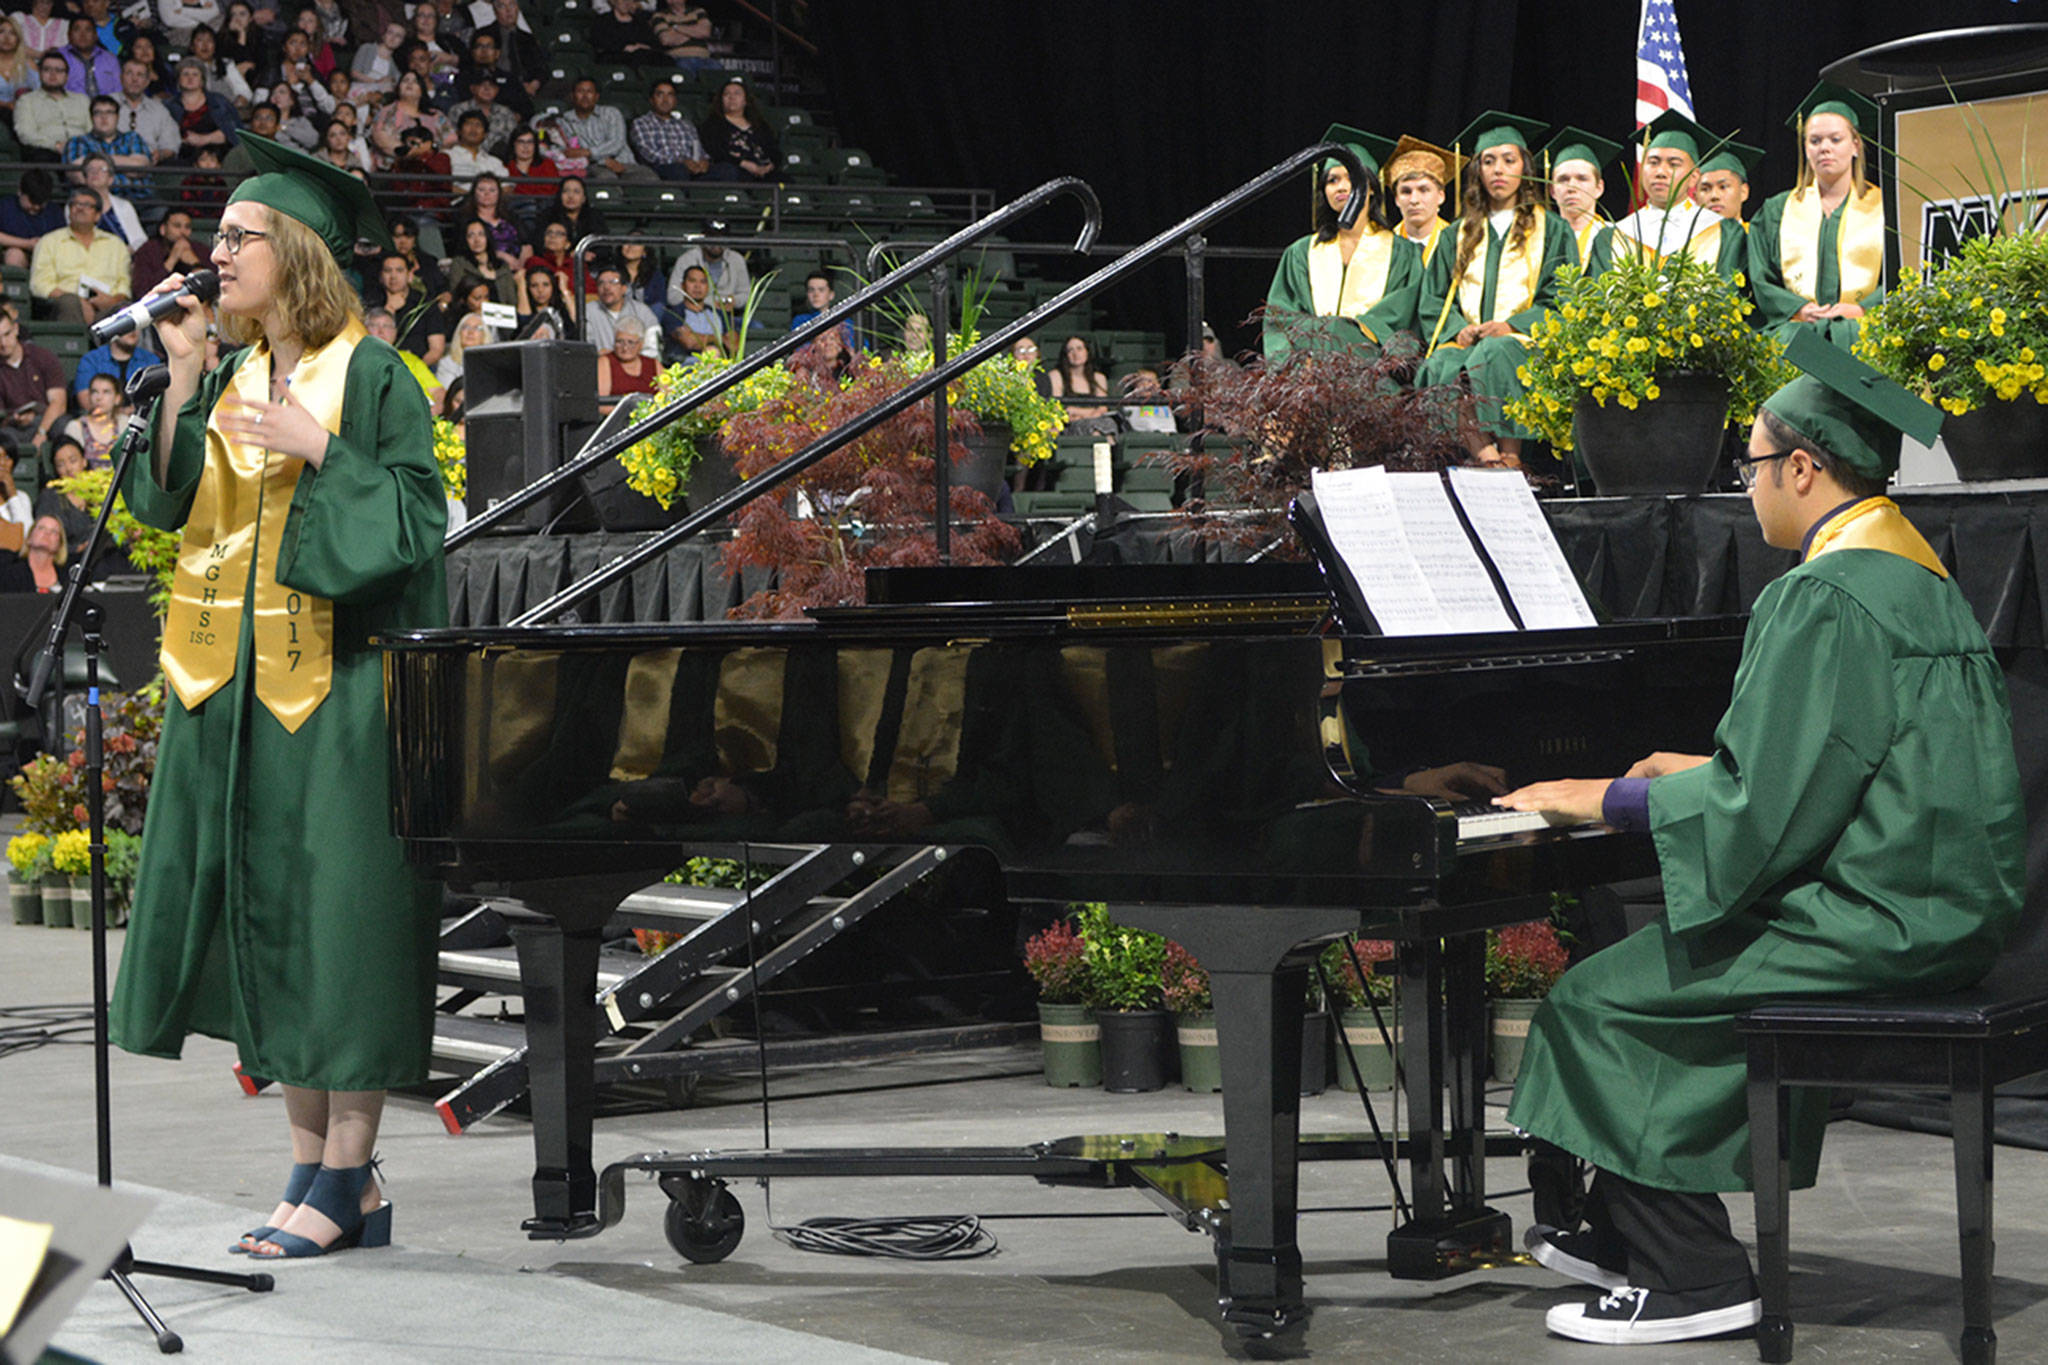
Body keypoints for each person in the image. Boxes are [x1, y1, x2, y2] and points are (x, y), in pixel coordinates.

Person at [1493, 332, 2024, 1346]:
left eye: (1748, 467)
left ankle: (1691, 1273)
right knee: (1650, 979)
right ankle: (1609, 1225)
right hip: (1943, 901)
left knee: (1599, 1001)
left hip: (1875, 921)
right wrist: (1690, 775)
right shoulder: (1914, 579)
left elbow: (1760, 813)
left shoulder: (1819, 595)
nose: (1744, 492)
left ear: (1801, 467)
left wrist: (1598, 797)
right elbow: (1848, 766)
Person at [109, 131, 448, 1263]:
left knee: (339, 931)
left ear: (294, 251)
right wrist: (187, 375)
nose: (215, 256)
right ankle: (318, 1171)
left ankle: (343, 1180)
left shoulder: (374, 376)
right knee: (279, 930)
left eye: (237, 239)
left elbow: (413, 528)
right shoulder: (240, 371)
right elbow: (166, 508)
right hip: (239, 690)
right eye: (216, 238)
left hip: (343, 693)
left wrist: (322, 451)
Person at [1415, 111, 1572, 468]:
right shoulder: (1456, 234)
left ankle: (1512, 457)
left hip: (1525, 342)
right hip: (1468, 341)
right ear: (1478, 172)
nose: (1498, 169)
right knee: (1442, 363)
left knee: (1499, 352)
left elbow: (1561, 296)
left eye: (1508, 160)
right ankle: (1489, 458)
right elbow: (1434, 300)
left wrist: (1514, 325)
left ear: (1524, 167)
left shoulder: (1553, 229)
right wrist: (1460, 329)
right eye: (1488, 161)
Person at [1263, 123, 1420, 359]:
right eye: (1332, 180)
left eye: (1351, 177)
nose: (1342, 187)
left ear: (1371, 188)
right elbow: (1279, 321)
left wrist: (1345, 333)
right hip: (1309, 374)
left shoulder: (1403, 254)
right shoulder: (1300, 253)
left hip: (1373, 371)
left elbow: (1406, 320)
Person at [1751, 83, 1884, 350]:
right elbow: (1761, 277)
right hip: (1796, 332)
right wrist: (1799, 309)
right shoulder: (1776, 211)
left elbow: (1904, 273)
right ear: (1806, 148)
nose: (1824, 148)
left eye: (1835, 139)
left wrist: (1862, 309)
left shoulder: (1885, 208)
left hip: (1866, 332)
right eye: (1815, 140)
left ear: (1855, 145)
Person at [1609, 110, 1720, 269]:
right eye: (1653, 162)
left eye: (1674, 164)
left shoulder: (1722, 231)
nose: (1660, 172)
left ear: (1694, 177)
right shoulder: (1617, 234)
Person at [29, 183, 133, 326]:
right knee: (70, 303)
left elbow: (124, 284)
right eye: (76, 204)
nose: (80, 208)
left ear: (97, 215)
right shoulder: (49, 241)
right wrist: (79, 302)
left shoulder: (116, 244)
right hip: (64, 307)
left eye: (87, 205)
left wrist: (111, 301)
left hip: (106, 308)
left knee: (126, 309)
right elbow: (39, 285)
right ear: (69, 211)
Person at [1542, 127, 1621, 279]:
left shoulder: (1619, 239)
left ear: (1599, 188)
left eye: (1582, 179)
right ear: (1552, 191)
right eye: (1563, 180)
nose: (1572, 187)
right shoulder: (1539, 240)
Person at [0, 311, 71, 454]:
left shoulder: (42, 357)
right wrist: (14, 419)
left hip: (46, 420)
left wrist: (41, 432)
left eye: (7, 335)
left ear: (16, 329)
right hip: (13, 427)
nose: (3, 343)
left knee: (67, 425)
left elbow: (59, 403)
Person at [558, 75, 654, 181]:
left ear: (597, 96)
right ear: (572, 96)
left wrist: (589, 152)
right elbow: (572, 153)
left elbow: (616, 143)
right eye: (580, 91)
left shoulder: (611, 113)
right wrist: (604, 161)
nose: (585, 96)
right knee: (606, 179)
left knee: (649, 177)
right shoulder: (565, 120)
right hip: (594, 166)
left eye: (589, 92)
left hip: (625, 163)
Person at [1382, 134, 1457, 266]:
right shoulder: (1384, 247)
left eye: (1423, 190)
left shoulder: (1458, 244)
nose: (1414, 200)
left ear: (1441, 196)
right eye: (1406, 191)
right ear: (1397, 199)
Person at [364, 249, 445, 366]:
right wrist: (389, 309)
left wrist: (413, 371)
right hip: (378, 365)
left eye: (399, 271)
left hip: (419, 367)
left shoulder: (425, 304)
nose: (393, 276)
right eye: (388, 271)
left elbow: (436, 350)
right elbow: (368, 343)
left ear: (409, 275)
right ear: (381, 276)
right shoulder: (371, 302)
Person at [67, 95, 155, 202]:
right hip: (94, 202)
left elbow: (139, 168)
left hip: (138, 199)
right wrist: (125, 164)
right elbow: (78, 176)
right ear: (91, 118)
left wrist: (96, 165)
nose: (104, 117)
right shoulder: (78, 141)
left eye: (109, 112)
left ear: (117, 117)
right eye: (98, 113)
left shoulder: (132, 138)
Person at [15, 51, 91, 160]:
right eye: (47, 70)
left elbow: (92, 130)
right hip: (47, 151)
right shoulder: (27, 100)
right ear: (40, 73)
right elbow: (25, 134)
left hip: (83, 151)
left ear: (67, 76)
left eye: (59, 70)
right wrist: (56, 145)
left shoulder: (82, 100)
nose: (53, 74)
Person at [698, 75, 776, 181]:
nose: (732, 97)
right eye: (726, 94)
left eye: (737, 93)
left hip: (762, 170)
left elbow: (773, 149)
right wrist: (744, 164)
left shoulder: (759, 124)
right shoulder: (712, 125)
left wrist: (769, 166)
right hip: (733, 169)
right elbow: (716, 152)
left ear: (746, 100)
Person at [630, 78, 710, 181]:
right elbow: (650, 155)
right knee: (678, 170)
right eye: (660, 95)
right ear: (651, 100)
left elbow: (698, 149)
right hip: (663, 167)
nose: (665, 100)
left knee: (725, 170)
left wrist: (704, 161)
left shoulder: (686, 125)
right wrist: (682, 162)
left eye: (670, 95)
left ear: (675, 101)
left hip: (693, 167)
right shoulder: (641, 123)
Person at [168, 55, 240, 163]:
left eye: (195, 74)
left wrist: (204, 139)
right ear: (178, 80)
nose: (190, 78)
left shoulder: (219, 102)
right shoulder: (169, 106)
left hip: (220, 159)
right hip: (183, 159)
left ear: (202, 80)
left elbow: (235, 132)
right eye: (185, 74)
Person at [114, 56, 183, 166]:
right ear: (121, 78)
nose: (134, 79)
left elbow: (172, 145)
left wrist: (160, 154)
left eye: (140, 75)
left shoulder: (159, 110)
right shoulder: (105, 104)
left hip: (147, 168)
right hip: (110, 166)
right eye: (129, 74)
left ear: (147, 82)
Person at [666, 219, 749, 310]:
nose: (717, 242)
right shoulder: (687, 259)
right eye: (712, 237)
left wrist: (733, 301)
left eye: (722, 237)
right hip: (692, 312)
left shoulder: (736, 260)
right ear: (703, 237)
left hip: (727, 314)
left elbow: (745, 294)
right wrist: (708, 303)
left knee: (755, 325)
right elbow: (673, 296)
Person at [74, 326, 163, 409]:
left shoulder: (151, 360)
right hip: (102, 421)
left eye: (136, 325)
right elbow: (85, 401)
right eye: (127, 325)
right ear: (112, 329)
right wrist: (119, 414)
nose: (132, 330)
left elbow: (157, 401)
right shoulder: (92, 360)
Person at [584, 261, 659, 358]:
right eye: (601, 283)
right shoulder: (588, 311)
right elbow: (585, 350)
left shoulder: (642, 312)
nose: (606, 287)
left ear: (624, 288)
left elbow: (653, 350)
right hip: (600, 368)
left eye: (613, 282)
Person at [445, 215, 521, 310]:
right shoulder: (459, 264)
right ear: (465, 240)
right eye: (471, 235)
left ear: (487, 237)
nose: (477, 240)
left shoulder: (502, 267)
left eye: (481, 234)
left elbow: (512, 302)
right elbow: (457, 297)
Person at [443, 64, 519, 157]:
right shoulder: (458, 110)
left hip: (498, 162)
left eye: (492, 85)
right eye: (481, 85)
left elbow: (514, 142)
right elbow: (450, 141)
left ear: (497, 90)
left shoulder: (506, 113)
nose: (487, 89)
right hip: (464, 159)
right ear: (472, 88)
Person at [62, 371, 134, 465]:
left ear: (117, 398)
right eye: (94, 392)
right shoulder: (75, 428)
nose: (99, 397)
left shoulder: (124, 424)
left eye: (106, 392)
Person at [0, 168, 66, 268]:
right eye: (31, 202)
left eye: (40, 203)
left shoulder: (54, 211)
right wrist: (27, 244)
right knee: (14, 255)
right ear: (20, 192)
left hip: (47, 255)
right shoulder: (5, 206)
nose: (36, 207)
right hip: (18, 252)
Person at [664, 261, 730, 359]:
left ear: (708, 287)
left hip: (719, 368)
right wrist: (719, 338)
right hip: (686, 369)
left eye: (703, 282)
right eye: (692, 281)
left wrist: (697, 336)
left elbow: (734, 345)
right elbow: (689, 342)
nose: (697, 286)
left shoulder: (719, 314)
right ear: (683, 285)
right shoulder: (673, 313)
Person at [1049, 334, 1113, 434]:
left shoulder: (1099, 377)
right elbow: (1058, 408)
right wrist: (1090, 413)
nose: (1075, 353)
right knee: (1093, 430)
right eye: (1070, 350)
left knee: (1109, 424)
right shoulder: (1056, 375)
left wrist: (1078, 412)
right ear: (1066, 355)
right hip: (1069, 423)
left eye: (1079, 349)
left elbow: (1102, 409)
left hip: (1095, 419)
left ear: (1087, 352)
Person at [56, 15, 119, 100]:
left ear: (96, 35)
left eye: (88, 30)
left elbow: (119, 92)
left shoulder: (110, 59)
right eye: (77, 30)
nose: (82, 35)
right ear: (69, 35)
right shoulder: (58, 57)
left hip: (106, 110)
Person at [444, 107, 507, 191]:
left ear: (485, 134)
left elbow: (507, 187)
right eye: (468, 124)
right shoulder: (446, 156)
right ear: (458, 131)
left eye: (478, 125)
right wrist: (472, 198)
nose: (473, 129)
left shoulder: (495, 162)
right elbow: (440, 185)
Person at [788, 268, 853, 347]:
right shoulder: (800, 321)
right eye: (811, 290)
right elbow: (799, 350)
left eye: (821, 290)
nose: (816, 295)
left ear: (831, 295)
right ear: (807, 294)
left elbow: (856, 348)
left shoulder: (844, 322)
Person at [597, 314, 655, 396]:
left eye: (631, 342)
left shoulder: (653, 364)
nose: (625, 348)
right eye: (619, 342)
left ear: (641, 344)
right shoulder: (605, 362)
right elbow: (602, 404)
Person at [589, 0, 658, 59]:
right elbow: (600, 42)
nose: (626, 2)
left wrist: (642, 47)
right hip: (615, 58)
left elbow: (652, 42)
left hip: (641, 57)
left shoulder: (640, 22)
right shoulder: (603, 21)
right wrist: (624, 47)